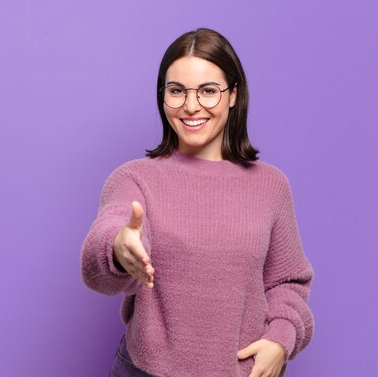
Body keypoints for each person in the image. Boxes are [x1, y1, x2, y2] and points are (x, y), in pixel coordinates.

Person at [81, 28, 314, 377]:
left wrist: (280, 340)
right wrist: (119, 247)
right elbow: (111, 231)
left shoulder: (271, 185)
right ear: (163, 97)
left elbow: (288, 282)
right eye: (177, 91)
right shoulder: (133, 178)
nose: (191, 106)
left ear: (233, 95)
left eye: (208, 91)